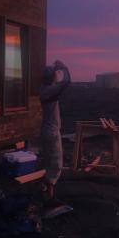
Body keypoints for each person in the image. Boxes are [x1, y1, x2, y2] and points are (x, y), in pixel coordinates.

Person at [39, 59, 70, 205]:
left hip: (46, 130)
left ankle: (45, 191)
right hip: (51, 131)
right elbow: (66, 83)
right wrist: (63, 67)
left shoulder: (44, 89)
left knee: (48, 161)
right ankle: (49, 198)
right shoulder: (49, 91)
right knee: (55, 164)